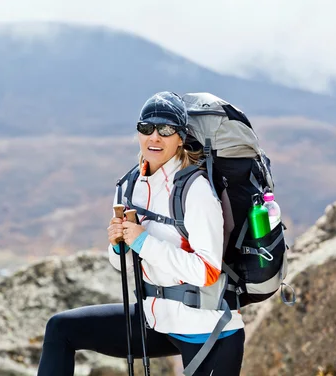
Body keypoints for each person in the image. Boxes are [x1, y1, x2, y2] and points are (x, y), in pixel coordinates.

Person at [37, 91, 245, 376]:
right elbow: (120, 263)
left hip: (206, 329)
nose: (154, 137)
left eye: (166, 129)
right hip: (155, 319)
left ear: (181, 138)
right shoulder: (129, 185)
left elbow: (206, 271)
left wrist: (142, 240)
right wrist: (120, 246)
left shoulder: (196, 190)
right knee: (61, 329)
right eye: (146, 128)